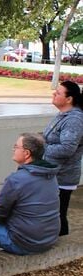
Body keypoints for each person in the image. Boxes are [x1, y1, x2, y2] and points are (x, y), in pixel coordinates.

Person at [0, 133, 60, 255]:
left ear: (27, 153)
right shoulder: (51, 175)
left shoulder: (17, 179)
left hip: (25, 244)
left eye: (16, 147)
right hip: (48, 239)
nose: (13, 149)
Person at [43, 81, 83, 236]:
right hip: (54, 174)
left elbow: (67, 149)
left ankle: (62, 247)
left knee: (58, 215)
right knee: (54, 214)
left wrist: (42, 148)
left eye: (58, 93)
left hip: (62, 177)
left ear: (69, 99)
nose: (54, 94)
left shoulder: (74, 120)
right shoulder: (63, 115)